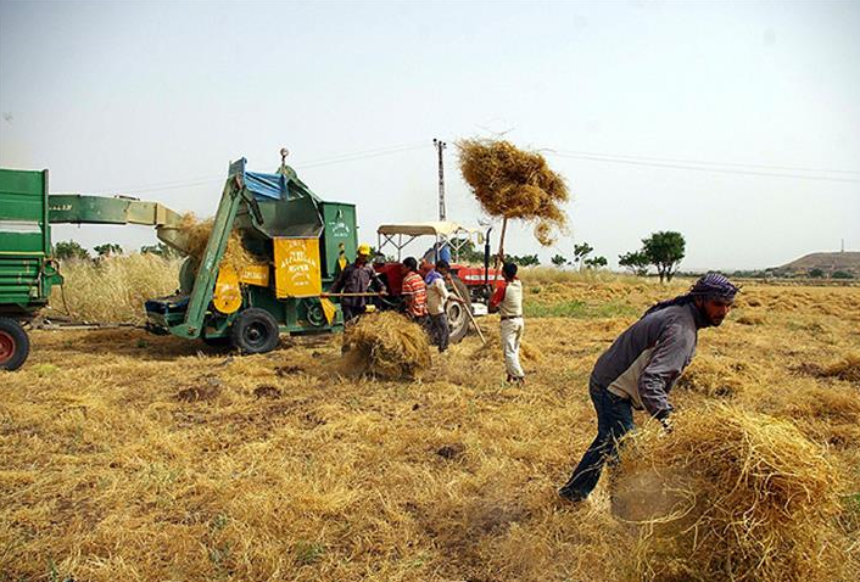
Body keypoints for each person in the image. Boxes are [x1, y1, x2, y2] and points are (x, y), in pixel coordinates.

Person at [558, 272, 740, 504]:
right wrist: (667, 417)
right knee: (626, 454)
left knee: (608, 441)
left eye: (728, 306)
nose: (723, 312)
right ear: (699, 300)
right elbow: (651, 380)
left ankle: (573, 493)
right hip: (613, 388)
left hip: (606, 377)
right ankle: (624, 511)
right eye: (718, 304)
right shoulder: (682, 330)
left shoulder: (680, 313)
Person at [330, 243, 387, 323]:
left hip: (361, 302)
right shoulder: (349, 268)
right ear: (358, 254)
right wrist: (329, 293)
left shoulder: (369, 269)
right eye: (362, 255)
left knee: (359, 325)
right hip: (348, 302)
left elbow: (377, 281)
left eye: (365, 255)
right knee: (349, 325)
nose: (363, 257)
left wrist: (382, 289)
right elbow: (339, 282)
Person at [488, 262, 525, 384]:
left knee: (509, 352)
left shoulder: (503, 288)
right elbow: (512, 273)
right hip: (519, 321)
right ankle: (510, 375)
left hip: (508, 322)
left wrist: (492, 296)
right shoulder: (518, 284)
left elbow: (491, 308)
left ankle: (519, 377)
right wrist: (503, 260)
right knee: (514, 350)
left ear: (503, 273)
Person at [425, 259, 463, 352]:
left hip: (431, 307)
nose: (446, 272)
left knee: (433, 329)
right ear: (440, 268)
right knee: (444, 329)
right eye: (445, 270)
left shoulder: (430, 276)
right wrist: (459, 300)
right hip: (438, 309)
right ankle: (443, 349)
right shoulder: (438, 281)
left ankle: (428, 344)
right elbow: (447, 295)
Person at [401, 257, 428, 323]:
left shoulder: (407, 279)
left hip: (415, 312)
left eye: (403, 266)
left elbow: (410, 297)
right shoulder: (419, 277)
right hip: (423, 309)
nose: (401, 268)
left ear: (409, 267)